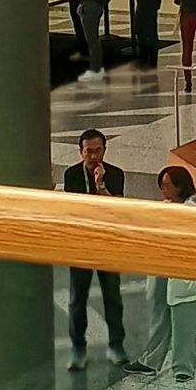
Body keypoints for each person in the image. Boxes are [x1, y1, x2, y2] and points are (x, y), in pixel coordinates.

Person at [62, 130, 128, 369]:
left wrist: (101, 186)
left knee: (112, 296)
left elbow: (118, 211)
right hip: (81, 244)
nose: (93, 156)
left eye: (97, 150)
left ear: (104, 150)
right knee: (77, 299)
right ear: (80, 152)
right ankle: (78, 348)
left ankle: (116, 345)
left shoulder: (115, 174)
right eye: (88, 151)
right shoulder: (72, 175)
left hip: (107, 244)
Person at [132, 166, 196, 380]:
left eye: (167, 185)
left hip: (183, 273)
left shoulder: (194, 211)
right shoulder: (164, 207)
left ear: (180, 187)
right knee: (159, 317)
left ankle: (183, 369)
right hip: (162, 269)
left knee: (184, 324)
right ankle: (150, 361)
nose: (163, 189)